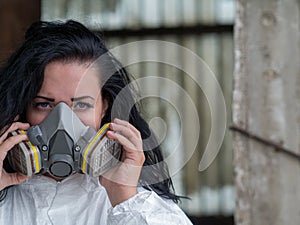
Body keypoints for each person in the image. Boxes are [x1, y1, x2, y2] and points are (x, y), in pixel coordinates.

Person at [0, 20, 192, 224]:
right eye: (44, 105)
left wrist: (122, 195)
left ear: (104, 109)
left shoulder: (135, 203)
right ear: (21, 110)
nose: (63, 121)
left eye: (81, 105)